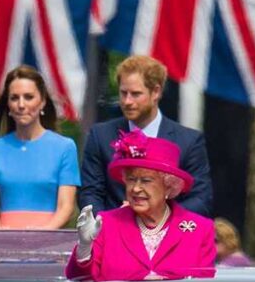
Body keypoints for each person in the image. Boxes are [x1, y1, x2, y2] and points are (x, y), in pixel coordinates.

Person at [66, 130, 215, 282]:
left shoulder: (200, 230)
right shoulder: (106, 224)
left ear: (169, 186)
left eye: (145, 180)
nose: (136, 189)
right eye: (131, 179)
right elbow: (79, 281)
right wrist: (84, 248)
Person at [79, 55, 212, 217]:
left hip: (170, 237)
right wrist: (111, 223)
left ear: (156, 92)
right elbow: (89, 193)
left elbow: (201, 199)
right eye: (123, 93)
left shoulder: (189, 141)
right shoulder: (100, 136)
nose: (127, 101)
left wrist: (161, 218)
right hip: (113, 236)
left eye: (135, 94)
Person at [0, 66, 79, 229]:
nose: (21, 104)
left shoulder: (65, 147)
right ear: (8, 104)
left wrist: (42, 235)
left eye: (29, 97)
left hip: (48, 245)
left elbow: (66, 207)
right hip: (5, 244)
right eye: (14, 98)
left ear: (42, 101)